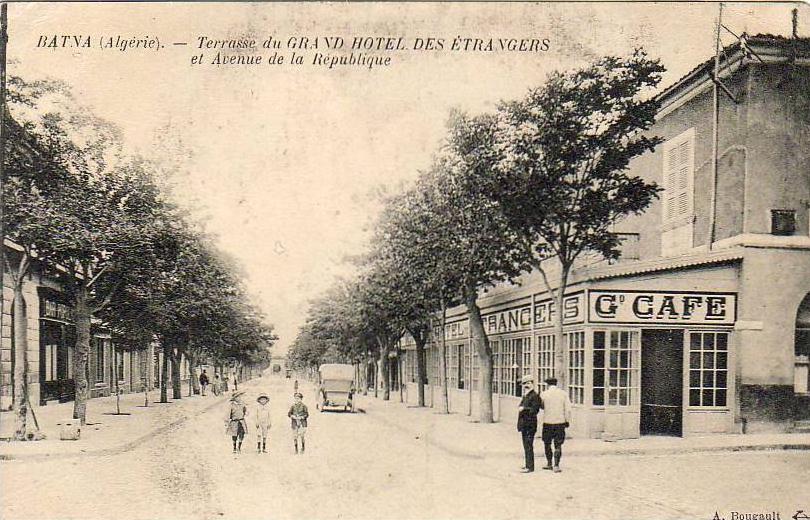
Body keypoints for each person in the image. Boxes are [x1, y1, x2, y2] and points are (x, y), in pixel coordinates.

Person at [539, 377, 572, 473]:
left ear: (547, 384)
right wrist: (567, 420)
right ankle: (556, 465)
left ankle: (549, 463)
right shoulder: (563, 394)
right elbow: (568, 409)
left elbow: (541, 406)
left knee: (547, 443)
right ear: (556, 384)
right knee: (558, 444)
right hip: (560, 422)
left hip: (548, 422)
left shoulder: (544, 394)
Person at [517, 374, 542, 473]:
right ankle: (527, 464)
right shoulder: (526, 395)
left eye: (528, 383)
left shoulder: (535, 396)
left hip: (530, 424)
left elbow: (535, 410)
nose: (526, 385)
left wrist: (524, 409)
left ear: (532, 384)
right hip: (524, 423)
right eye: (525, 384)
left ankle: (530, 467)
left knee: (528, 444)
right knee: (526, 445)